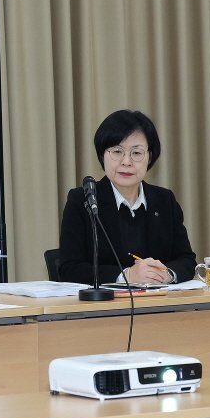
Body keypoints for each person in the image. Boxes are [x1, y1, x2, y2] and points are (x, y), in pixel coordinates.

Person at [58, 110, 196, 286]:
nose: (126, 161)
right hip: (107, 303)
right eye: (117, 151)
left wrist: (166, 274)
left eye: (136, 153)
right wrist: (126, 275)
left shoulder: (164, 200)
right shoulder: (83, 200)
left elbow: (186, 259)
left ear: (149, 157)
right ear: (102, 155)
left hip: (159, 300)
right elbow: (70, 269)